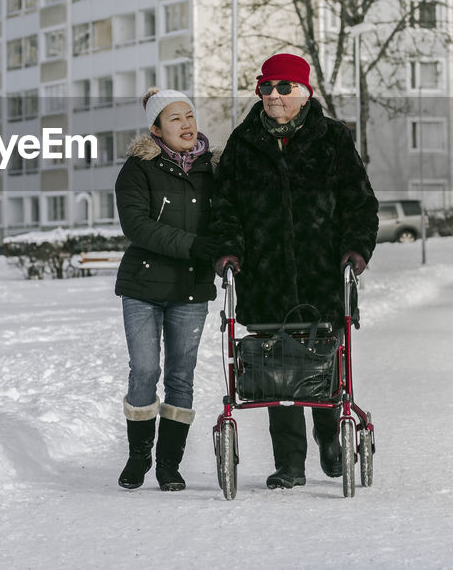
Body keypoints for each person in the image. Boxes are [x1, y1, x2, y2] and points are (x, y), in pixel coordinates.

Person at [210, 52, 379, 489]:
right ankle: (289, 463)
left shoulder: (332, 139)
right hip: (264, 277)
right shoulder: (243, 143)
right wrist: (228, 250)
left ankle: (329, 441)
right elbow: (224, 207)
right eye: (266, 87)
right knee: (276, 368)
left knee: (322, 363)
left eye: (284, 88)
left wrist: (356, 249)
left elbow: (359, 201)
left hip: (321, 274)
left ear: (304, 93)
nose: (274, 96)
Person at [113, 87, 223, 491]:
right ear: (157, 129)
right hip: (143, 285)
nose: (187, 124)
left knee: (181, 377)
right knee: (144, 371)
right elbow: (137, 226)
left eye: (190, 116)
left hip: (191, 287)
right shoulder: (139, 169)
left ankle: (168, 464)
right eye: (175, 118)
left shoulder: (213, 169)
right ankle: (139, 456)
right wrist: (194, 245)